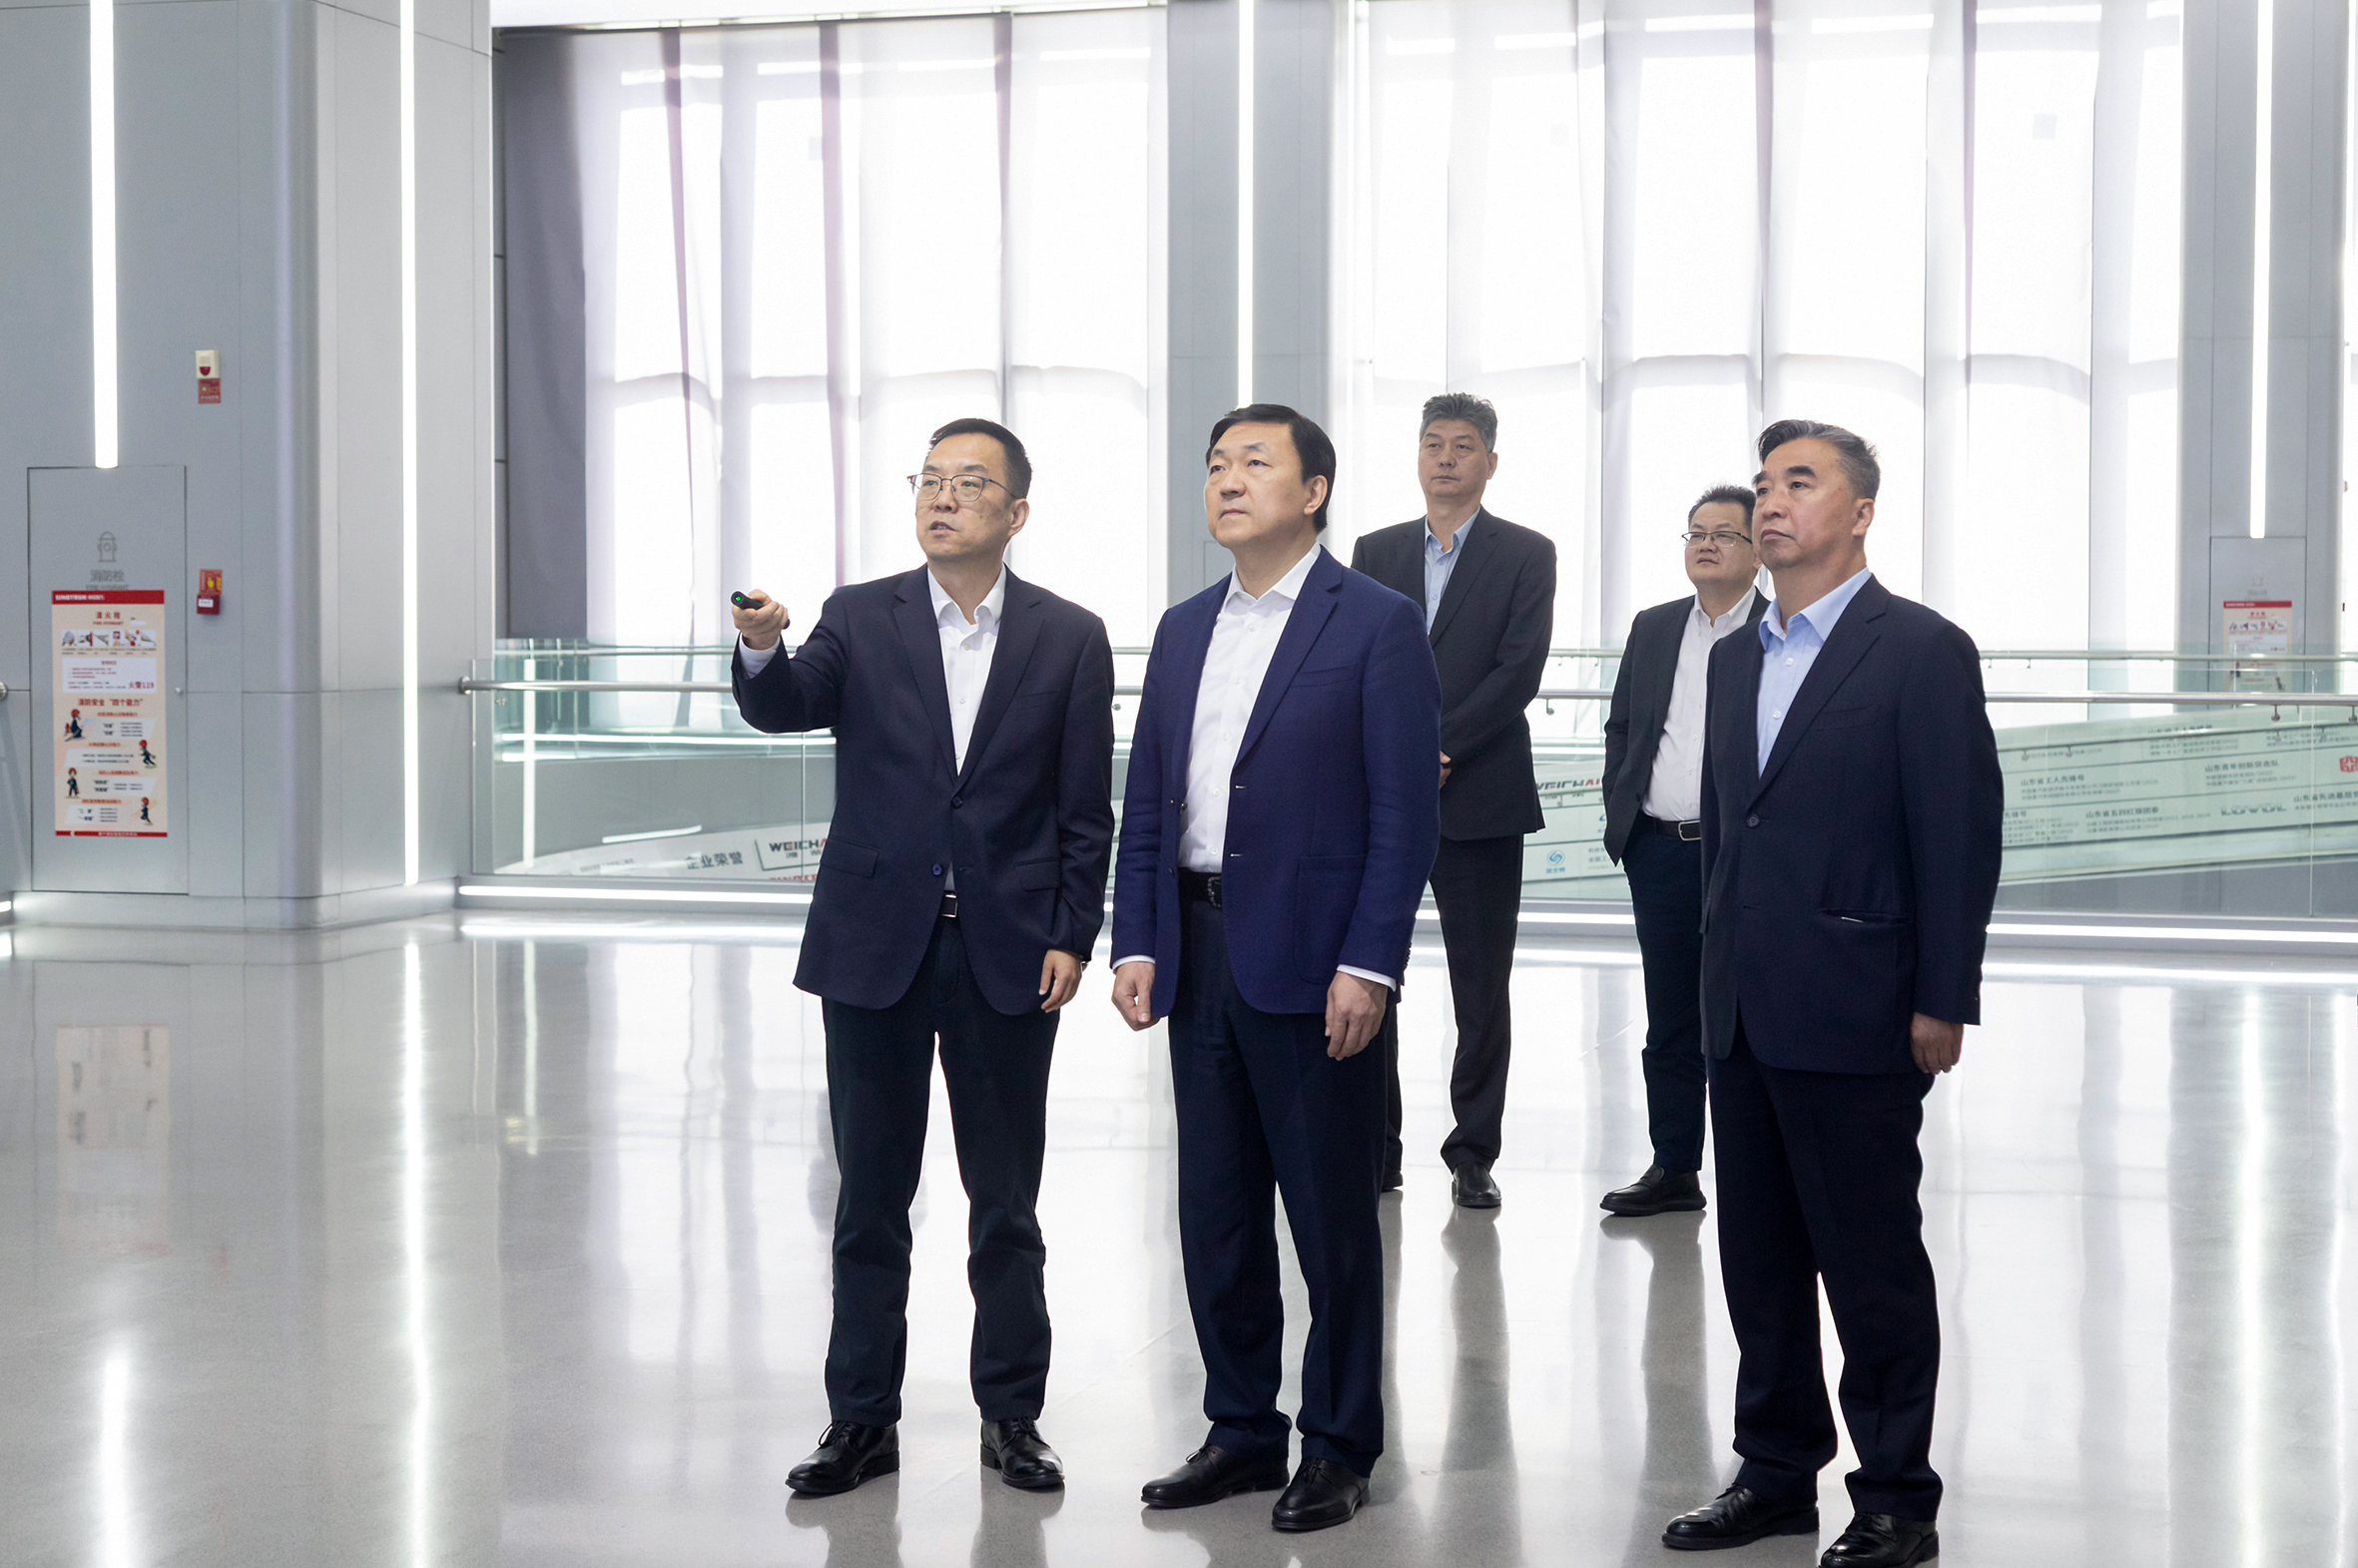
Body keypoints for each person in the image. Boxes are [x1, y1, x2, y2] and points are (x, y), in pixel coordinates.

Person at [731, 416, 1116, 1500]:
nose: (943, 497)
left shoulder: (1068, 636)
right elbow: (784, 705)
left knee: (1005, 1204)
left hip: (1008, 952)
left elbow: (1085, 808)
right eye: (930, 479)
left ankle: (1012, 1414)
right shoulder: (862, 616)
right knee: (869, 1198)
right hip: (872, 949)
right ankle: (861, 1419)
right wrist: (761, 644)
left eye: (970, 482)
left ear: (1016, 512)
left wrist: (1071, 932)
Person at [1661, 420, 2002, 1568]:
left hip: (1859, 1002)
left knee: (1869, 1263)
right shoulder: (1733, 657)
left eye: (1798, 482)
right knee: (1756, 1260)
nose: (1769, 501)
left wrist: (1941, 995)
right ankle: (1773, 1472)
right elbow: (1729, 837)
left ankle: (1896, 1494)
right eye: (1763, 483)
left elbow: (1956, 834)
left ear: (1858, 512)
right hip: (1741, 1006)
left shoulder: (1919, 650)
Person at [1109, 404, 1441, 1533]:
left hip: (1315, 960)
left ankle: (1338, 1441)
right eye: (1216, 463)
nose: (1228, 479)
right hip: (1197, 952)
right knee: (1216, 1209)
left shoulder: (1377, 623)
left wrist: (1370, 962)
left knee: (1329, 1217)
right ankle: (1242, 1427)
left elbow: (1404, 815)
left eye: (1255, 462)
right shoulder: (1182, 629)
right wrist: (1138, 936)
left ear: (1314, 491)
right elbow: (1149, 799)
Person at [1348, 393, 1555, 1209]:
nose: (1444, 457)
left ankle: (1473, 1150)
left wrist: (1438, 746)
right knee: (1371, 967)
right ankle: (1377, 1145)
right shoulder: (1376, 550)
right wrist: (1399, 755)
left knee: (1480, 983)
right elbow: (1357, 660)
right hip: (1382, 800)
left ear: (1490, 462)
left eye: (1462, 445)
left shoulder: (1526, 552)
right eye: (1432, 443)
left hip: (1480, 795)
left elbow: (1519, 670)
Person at [1596, 485, 1765, 1217]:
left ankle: (1755, 1168)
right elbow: (1624, 726)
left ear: (1758, 552)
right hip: (1662, 852)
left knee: (1747, 1014)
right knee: (1670, 1017)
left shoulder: (1777, 628)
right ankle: (1674, 1166)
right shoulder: (1656, 625)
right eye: (1696, 533)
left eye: (1724, 533)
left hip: (1746, 857)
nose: (1706, 544)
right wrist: (1625, 815)